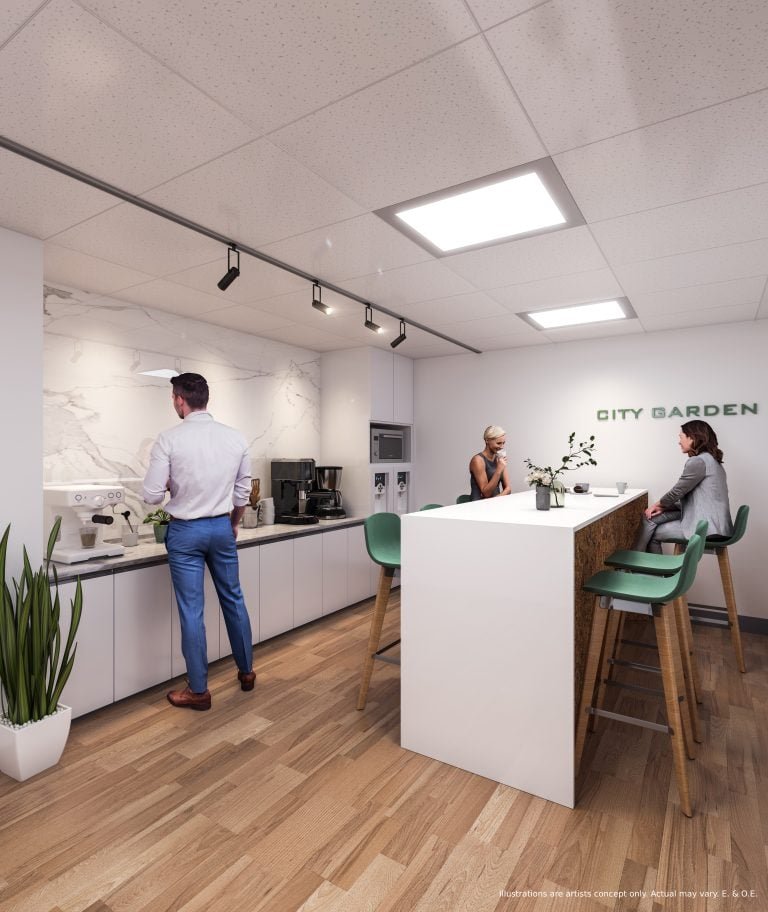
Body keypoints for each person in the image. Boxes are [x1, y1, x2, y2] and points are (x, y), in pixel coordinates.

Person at [143, 372, 255, 711]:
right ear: (205, 399)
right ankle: (246, 672)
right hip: (221, 528)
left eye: (173, 399)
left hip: (185, 532)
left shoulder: (169, 439)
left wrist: (170, 484)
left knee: (192, 611)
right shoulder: (235, 438)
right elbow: (242, 493)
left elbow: (151, 495)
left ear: (180, 400)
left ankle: (199, 691)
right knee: (233, 599)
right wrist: (232, 524)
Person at [634, 420, 733, 553]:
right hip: (719, 525)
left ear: (692, 438)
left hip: (708, 527)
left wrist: (658, 504)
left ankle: (637, 561)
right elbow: (697, 499)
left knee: (653, 532)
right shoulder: (712, 460)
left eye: (681, 437)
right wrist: (663, 507)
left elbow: (677, 491)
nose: (679, 442)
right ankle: (637, 560)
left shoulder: (699, 461)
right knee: (651, 519)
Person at [469, 425, 511, 501]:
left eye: (503, 443)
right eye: (498, 443)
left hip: (495, 503)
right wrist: (499, 470)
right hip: (479, 505)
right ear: (487, 440)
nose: (502, 447)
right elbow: (486, 493)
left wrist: (495, 500)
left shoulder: (499, 459)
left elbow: (508, 489)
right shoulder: (477, 460)